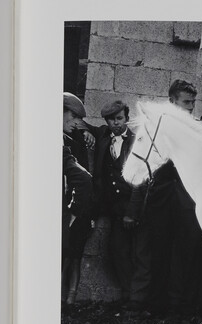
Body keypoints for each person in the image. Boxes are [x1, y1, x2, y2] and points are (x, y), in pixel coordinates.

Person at [146, 80, 202, 318]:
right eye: (186, 102)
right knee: (159, 252)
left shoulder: (197, 129)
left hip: (188, 202)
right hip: (161, 200)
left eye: (193, 102)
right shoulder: (155, 126)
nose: (191, 107)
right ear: (172, 101)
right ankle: (157, 307)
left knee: (186, 255)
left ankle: (183, 308)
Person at [84, 100, 151, 309]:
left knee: (137, 253)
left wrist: (132, 211)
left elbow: (140, 179)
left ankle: (139, 299)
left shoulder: (136, 141)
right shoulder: (103, 136)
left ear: (127, 118)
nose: (116, 123)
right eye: (111, 120)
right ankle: (129, 294)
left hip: (134, 206)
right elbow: (84, 125)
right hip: (113, 208)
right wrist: (85, 133)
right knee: (117, 250)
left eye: (119, 118)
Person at [62, 92, 93, 305]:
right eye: (72, 117)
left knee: (71, 254)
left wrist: (73, 211)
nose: (76, 123)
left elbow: (83, 179)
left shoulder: (70, 141)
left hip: (71, 211)